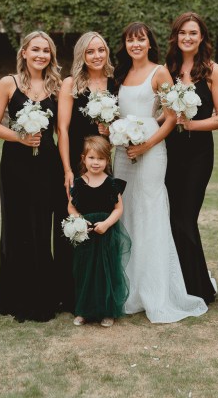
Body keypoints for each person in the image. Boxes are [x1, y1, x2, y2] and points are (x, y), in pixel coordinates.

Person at [113, 21, 208, 323]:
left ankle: (154, 291)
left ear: (150, 43)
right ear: (125, 45)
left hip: (151, 152)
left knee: (150, 213)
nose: (135, 45)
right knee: (126, 212)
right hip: (122, 153)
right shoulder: (121, 73)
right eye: (130, 40)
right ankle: (128, 288)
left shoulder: (160, 72)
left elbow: (170, 118)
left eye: (140, 40)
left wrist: (145, 145)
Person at [0, 30, 62, 322]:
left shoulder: (56, 87)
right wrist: (20, 137)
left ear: (51, 57)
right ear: (24, 53)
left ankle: (42, 294)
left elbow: (61, 131)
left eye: (46, 51)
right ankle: (13, 295)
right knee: (16, 226)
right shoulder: (9, 83)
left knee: (40, 227)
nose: (41, 55)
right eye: (36, 49)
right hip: (15, 164)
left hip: (46, 164)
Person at [165, 12, 218, 303]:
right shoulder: (168, 68)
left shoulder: (212, 70)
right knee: (169, 216)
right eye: (182, 33)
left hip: (198, 154)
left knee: (185, 217)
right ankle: (177, 283)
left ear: (202, 37)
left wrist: (190, 124)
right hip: (168, 152)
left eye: (193, 33)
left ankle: (197, 287)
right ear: (175, 37)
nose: (187, 38)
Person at [56, 32, 114, 311]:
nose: (96, 56)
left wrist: (109, 129)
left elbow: (123, 124)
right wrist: (67, 169)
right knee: (73, 222)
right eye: (90, 51)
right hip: (77, 163)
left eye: (101, 50)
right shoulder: (71, 84)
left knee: (101, 225)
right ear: (82, 55)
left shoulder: (116, 83)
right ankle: (69, 293)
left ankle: (100, 290)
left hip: (103, 164)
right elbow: (62, 129)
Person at [68, 136, 131, 327]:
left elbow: (118, 209)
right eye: (92, 158)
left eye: (101, 159)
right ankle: (83, 311)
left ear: (107, 160)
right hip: (86, 236)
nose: (96, 163)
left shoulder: (112, 183)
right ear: (83, 158)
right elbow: (71, 208)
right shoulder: (78, 183)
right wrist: (79, 221)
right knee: (85, 272)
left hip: (106, 234)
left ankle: (107, 311)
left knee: (106, 271)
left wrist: (106, 224)